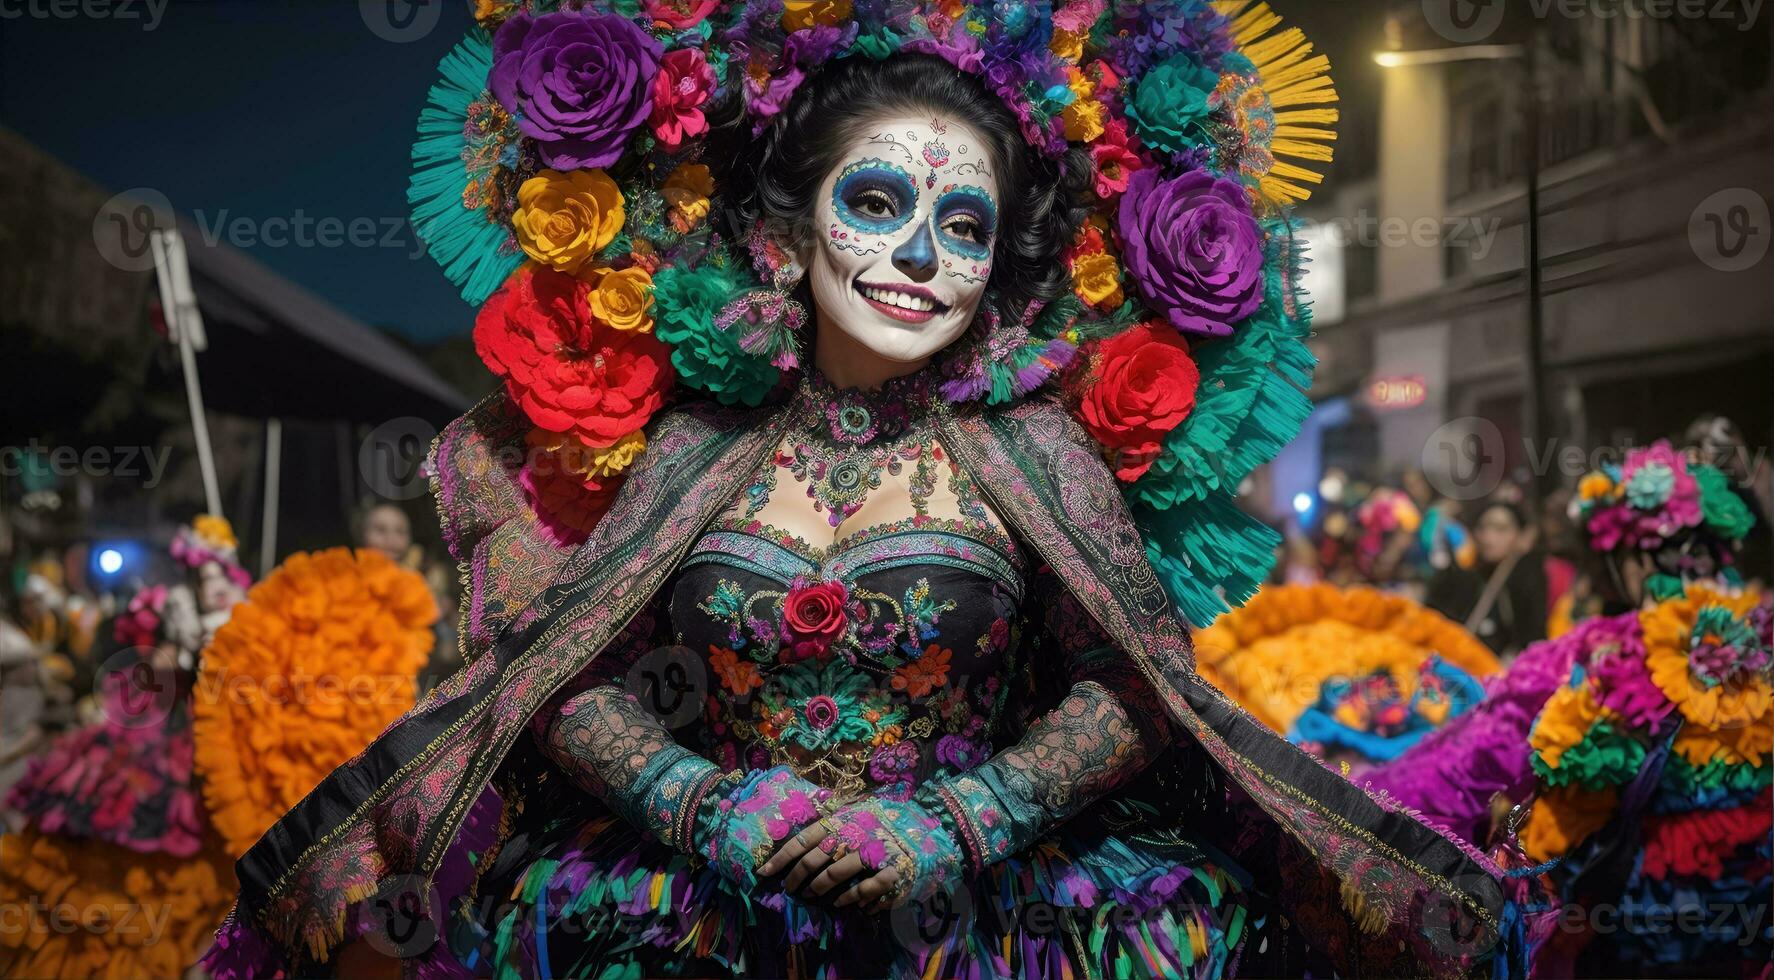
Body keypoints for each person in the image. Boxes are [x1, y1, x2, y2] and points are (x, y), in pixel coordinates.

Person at [204, 5, 1507, 978]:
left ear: (998, 263)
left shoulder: (1035, 455)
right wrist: (701, 803)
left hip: (984, 914)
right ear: (783, 231)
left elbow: (1133, 685)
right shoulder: (685, 445)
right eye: (876, 201)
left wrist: (957, 820)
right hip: (693, 910)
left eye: (963, 227)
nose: (916, 258)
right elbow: (562, 668)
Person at [1425, 501, 1548, 658]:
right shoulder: (1461, 577)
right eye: (1483, 528)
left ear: (1520, 536)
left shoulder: (1527, 577)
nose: (1489, 537)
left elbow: (1533, 638)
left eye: (1501, 529)